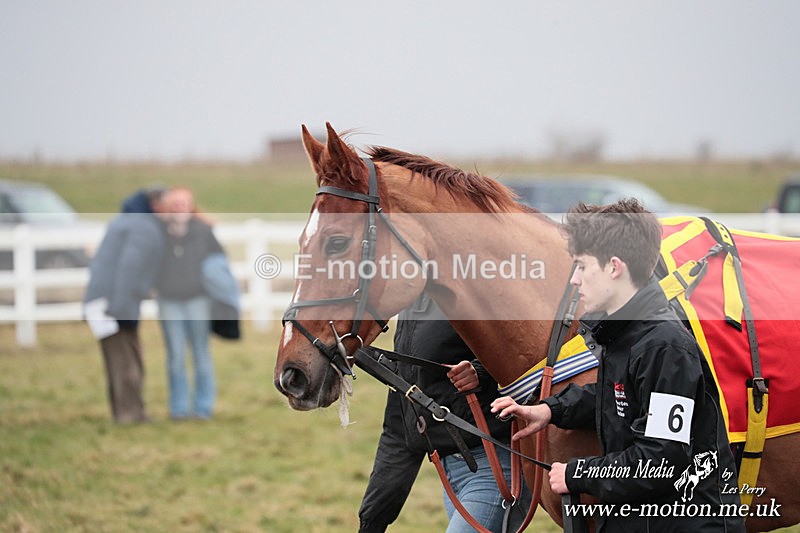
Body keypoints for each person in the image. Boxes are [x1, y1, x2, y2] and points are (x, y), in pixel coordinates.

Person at [491, 199, 745, 532]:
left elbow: (661, 460)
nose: (575, 281)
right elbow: (618, 397)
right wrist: (550, 410)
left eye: (582, 266)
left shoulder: (665, 347)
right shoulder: (623, 334)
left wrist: (578, 473)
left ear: (614, 267)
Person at [359, 293, 530, 533]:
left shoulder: (477, 287)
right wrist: (371, 522)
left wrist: (480, 372)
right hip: (450, 474)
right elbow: (400, 426)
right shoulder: (413, 308)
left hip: (493, 467)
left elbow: (525, 349)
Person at [84, 186, 166, 423]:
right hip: (114, 304)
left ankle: (125, 411)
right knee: (126, 361)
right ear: (155, 204)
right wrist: (120, 307)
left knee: (117, 360)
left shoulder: (128, 220)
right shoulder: (143, 226)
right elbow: (130, 267)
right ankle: (130, 414)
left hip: (105, 301)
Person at [156, 187, 224, 420]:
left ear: (190, 206)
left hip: (198, 300)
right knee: (175, 356)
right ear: (168, 207)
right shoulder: (159, 231)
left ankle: (203, 408)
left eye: (184, 204)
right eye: (175, 204)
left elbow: (218, 261)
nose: (180, 208)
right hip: (168, 301)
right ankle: (179, 409)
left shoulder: (203, 231)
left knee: (201, 354)